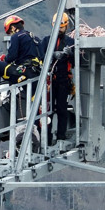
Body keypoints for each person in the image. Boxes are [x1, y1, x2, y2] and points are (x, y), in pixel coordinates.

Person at [0, 15, 42, 106]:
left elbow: (12, 56)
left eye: (10, 32)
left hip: (23, 72)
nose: (10, 34)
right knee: (34, 103)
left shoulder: (16, 37)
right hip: (36, 74)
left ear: (13, 28)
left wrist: (4, 58)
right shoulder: (34, 38)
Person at [41, 12, 75, 141]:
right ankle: (47, 137)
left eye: (62, 27)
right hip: (49, 81)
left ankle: (61, 136)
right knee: (47, 110)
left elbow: (76, 63)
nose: (59, 30)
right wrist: (53, 55)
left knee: (62, 109)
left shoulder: (70, 42)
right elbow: (40, 58)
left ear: (66, 27)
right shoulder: (46, 41)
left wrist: (70, 53)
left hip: (63, 81)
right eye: (58, 27)